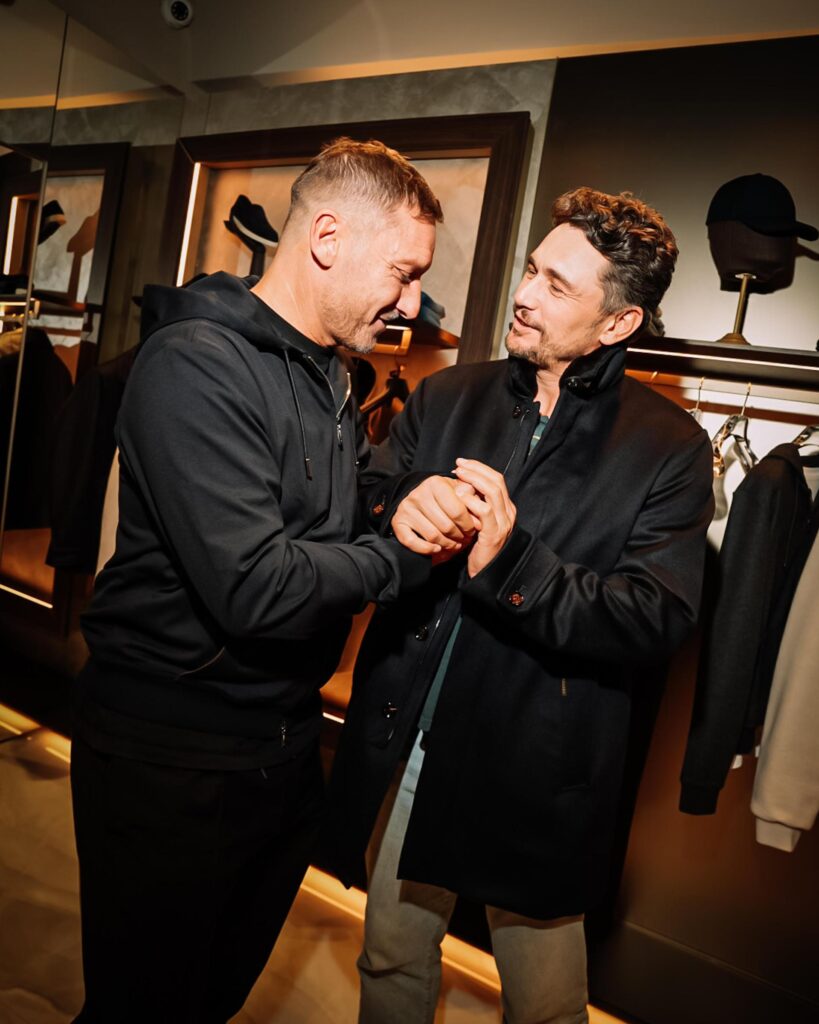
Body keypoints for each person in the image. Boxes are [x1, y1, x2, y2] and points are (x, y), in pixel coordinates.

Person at [70, 138, 441, 1024]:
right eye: (403, 272)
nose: (411, 303)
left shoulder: (329, 372)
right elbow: (256, 584)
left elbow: (343, 507)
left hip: (277, 748)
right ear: (326, 236)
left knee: (210, 1000)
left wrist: (408, 503)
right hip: (171, 757)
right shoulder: (195, 362)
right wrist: (404, 558)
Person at [325, 187, 715, 1024]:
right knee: (390, 957)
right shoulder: (447, 395)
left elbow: (655, 616)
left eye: (556, 285)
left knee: (544, 1005)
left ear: (617, 323)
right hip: (411, 738)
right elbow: (367, 498)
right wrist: (403, 507)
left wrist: (514, 563)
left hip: (537, 769)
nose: (524, 294)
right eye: (531, 269)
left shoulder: (669, 448)